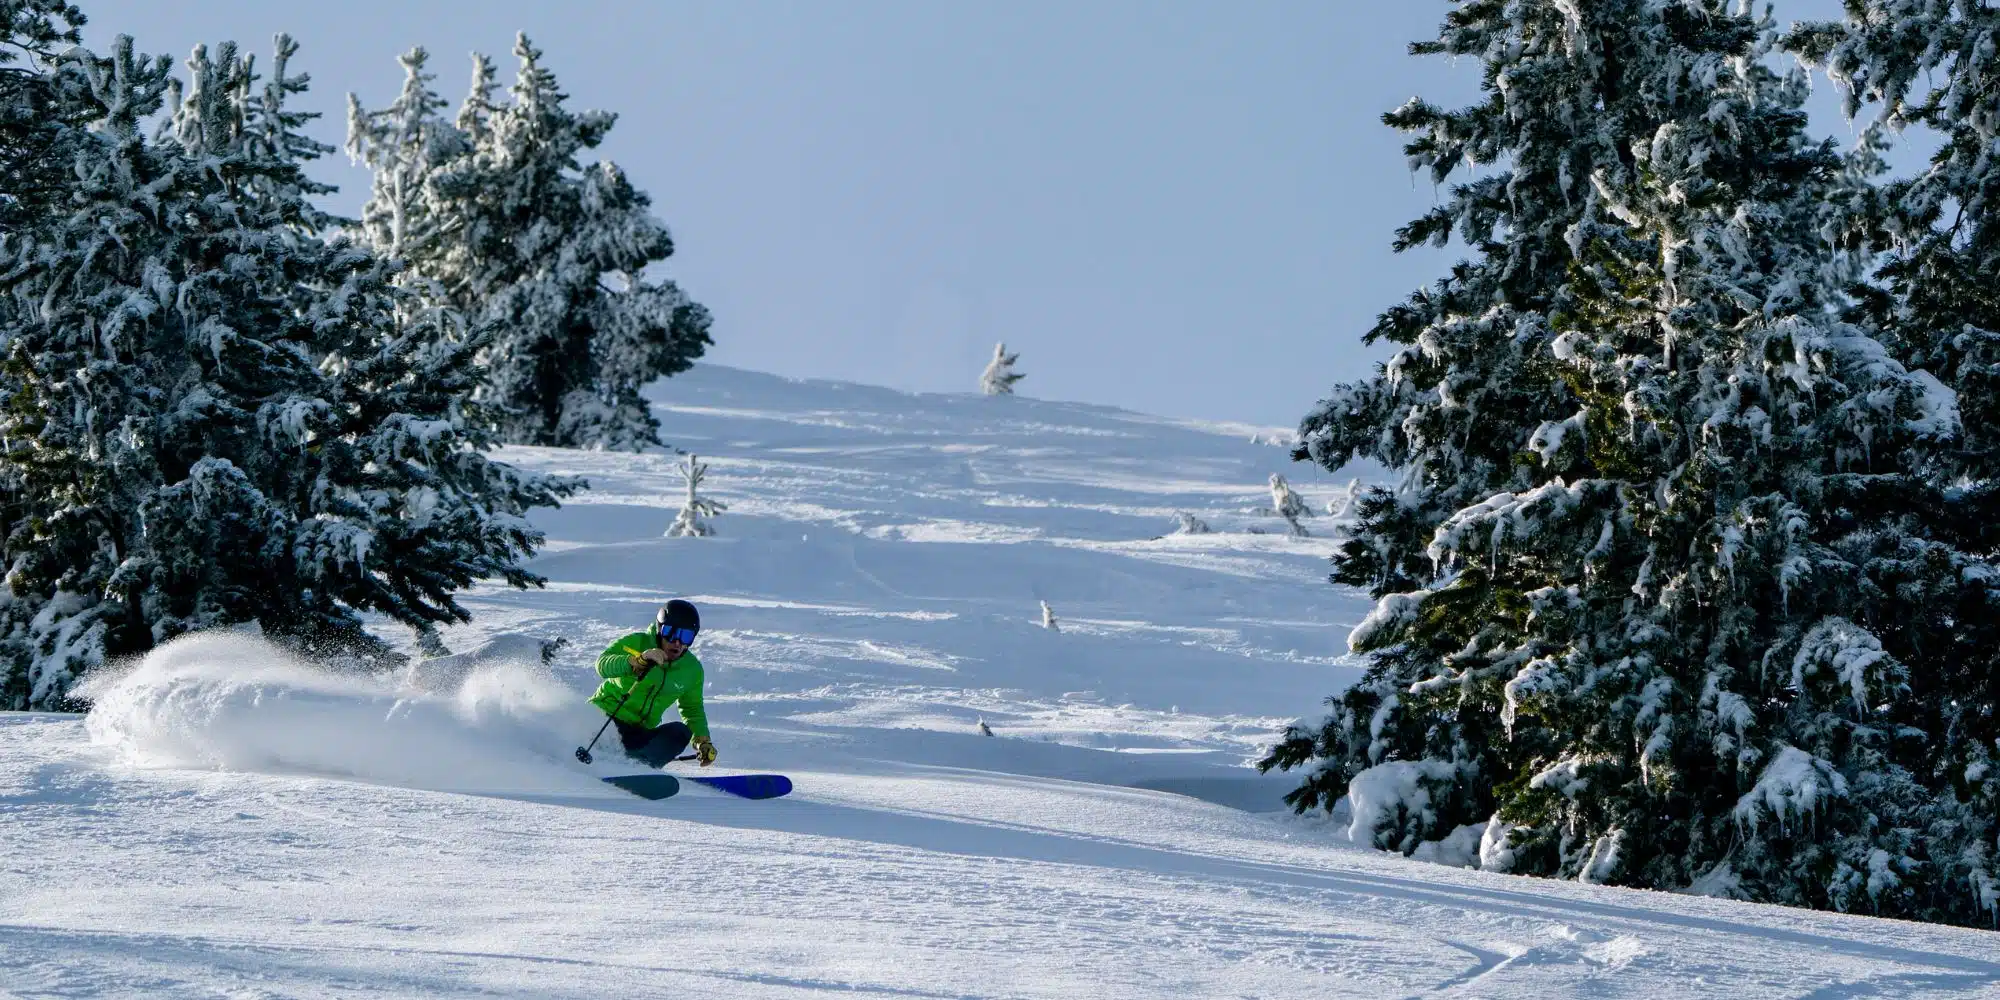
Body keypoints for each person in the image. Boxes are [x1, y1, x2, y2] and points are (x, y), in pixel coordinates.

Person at [589, 599, 717, 768]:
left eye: (685, 636)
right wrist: (635, 662)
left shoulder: (691, 670)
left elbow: (692, 709)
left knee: (679, 733)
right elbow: (602, 664)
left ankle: (638, 768)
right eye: (670, 632)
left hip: (639, 733)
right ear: (659, 629)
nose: (677, 642)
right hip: (605, 719)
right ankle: (608, 761)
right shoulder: (637, 643)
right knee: (600, 732)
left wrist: (702, 740)